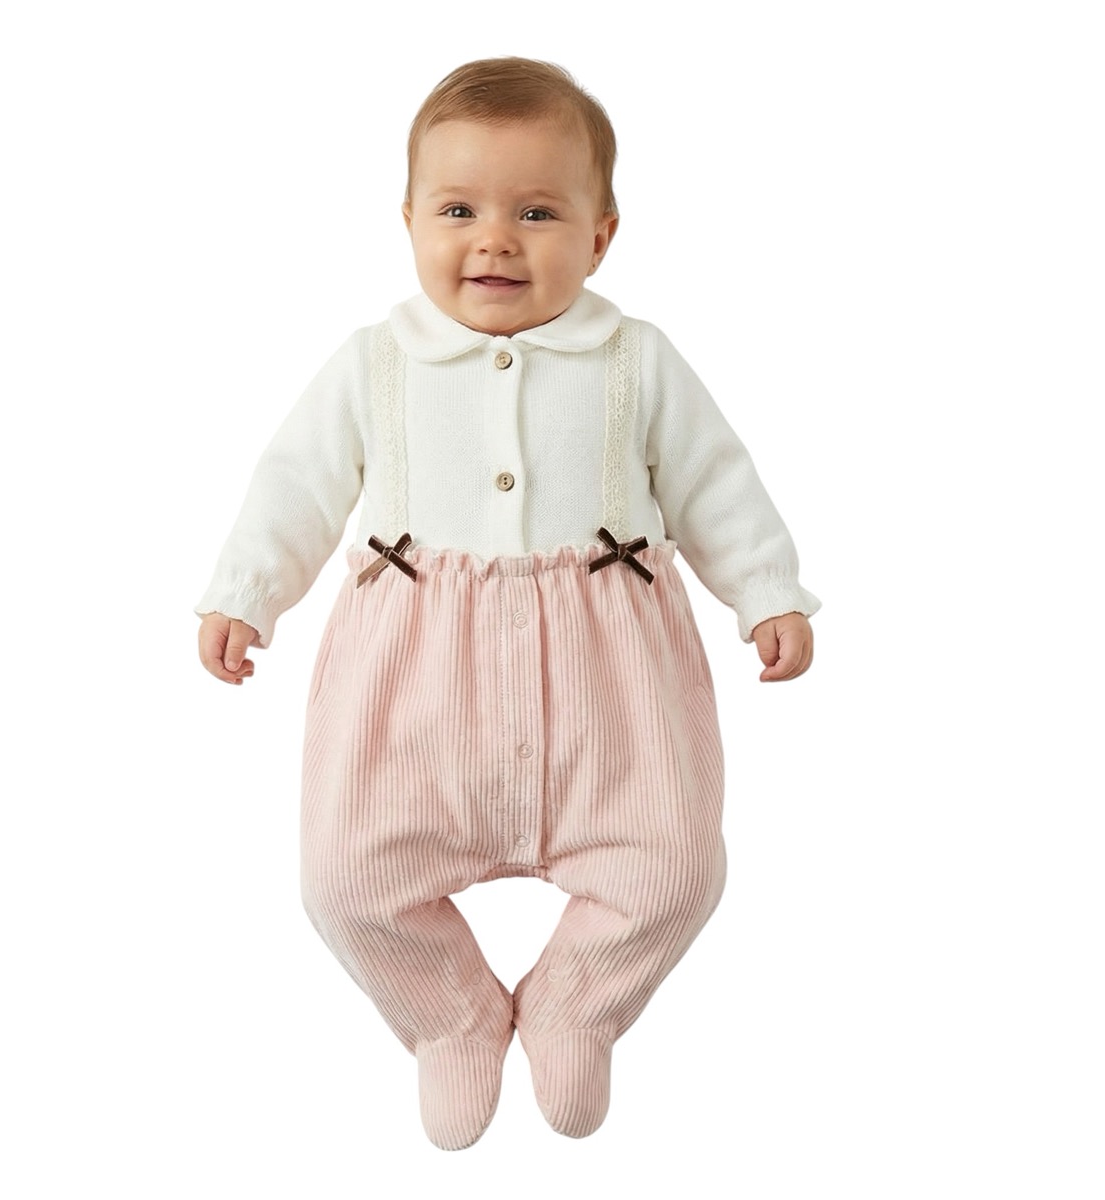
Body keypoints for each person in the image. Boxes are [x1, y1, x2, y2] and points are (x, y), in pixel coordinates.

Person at [196, 57, 820, 1150]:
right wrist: (249, 593)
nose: (495, 241)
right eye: (459, 211)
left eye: (537, 213)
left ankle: (579, 1004)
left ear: (600, 236)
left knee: (677, 868)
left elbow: (715, 480)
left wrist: (765, 590)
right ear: (407, 222)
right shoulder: (377, 363)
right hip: (412, 682)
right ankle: (450, 1019)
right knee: (344, 878)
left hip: (611, 683)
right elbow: (295, 484)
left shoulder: (634, 359)